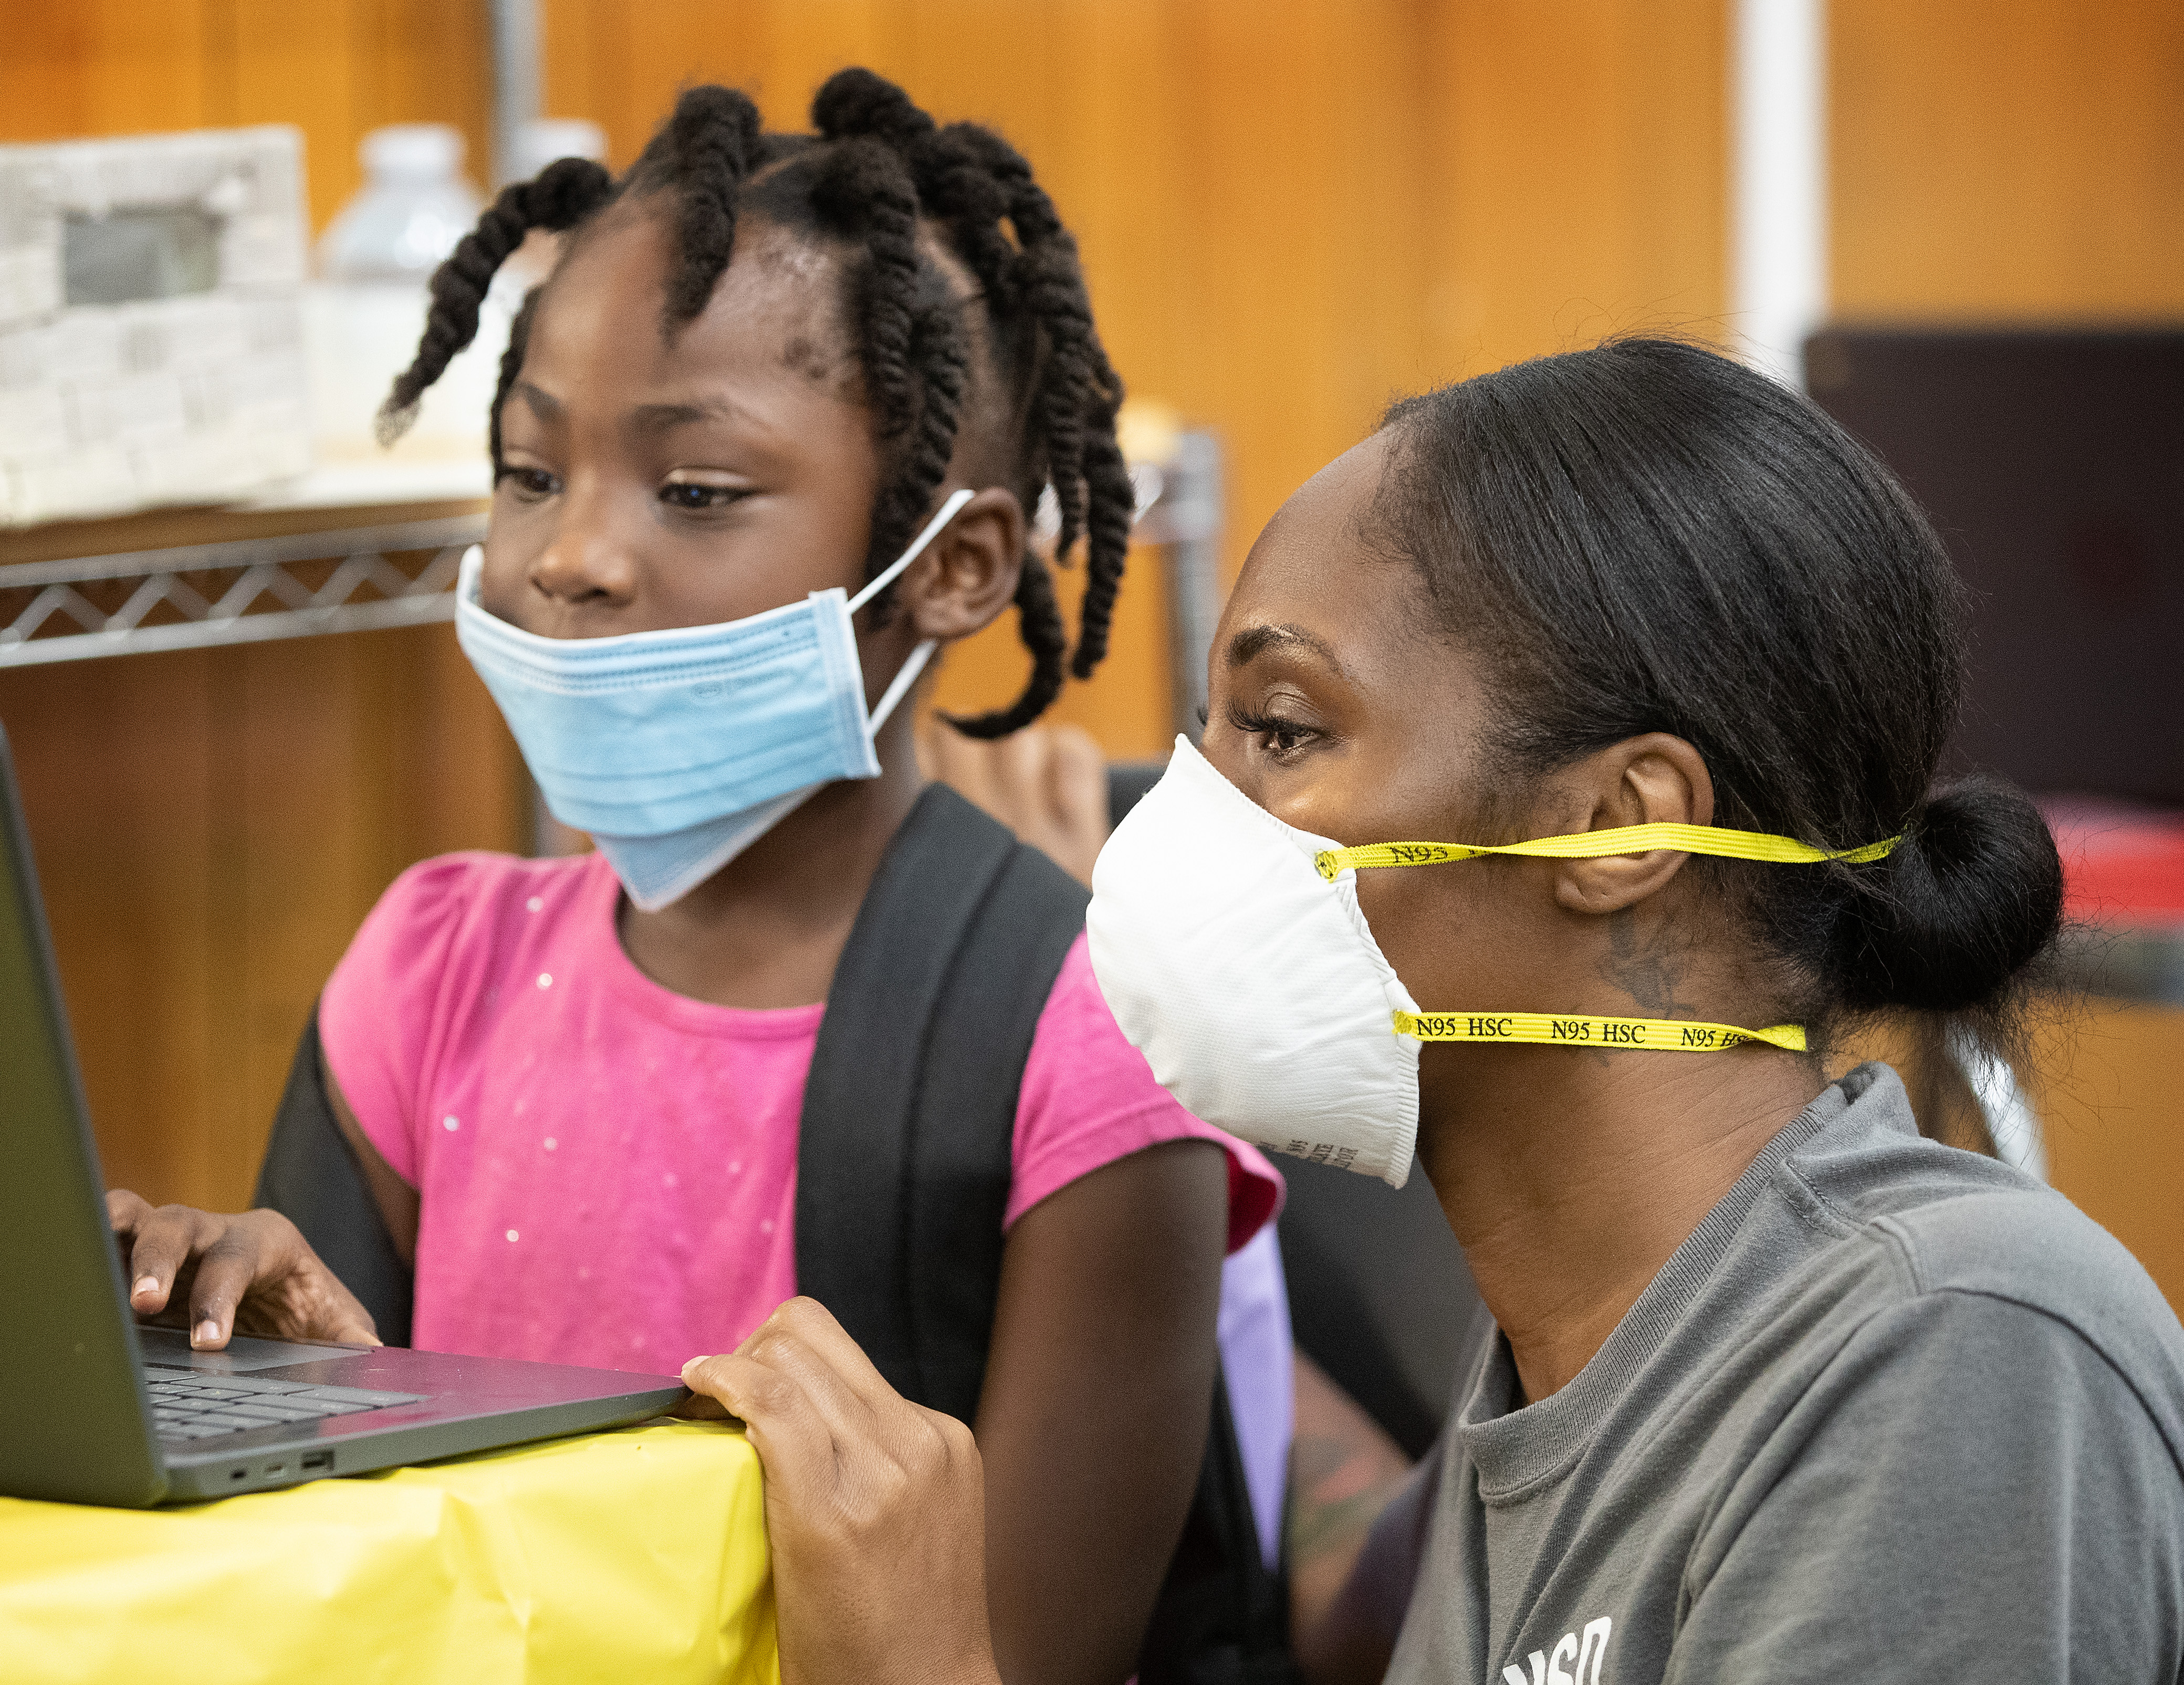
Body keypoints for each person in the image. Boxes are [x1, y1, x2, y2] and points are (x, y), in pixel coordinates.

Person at [681, 337, 2184, 1683]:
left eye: (1284, 730)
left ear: (1616, 828)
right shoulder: (1546, 1383)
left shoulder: (1955, 1340)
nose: (1188, 826)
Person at [104, 71, 1290, 1685]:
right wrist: (239, 1366)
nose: (567, 555)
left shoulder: (1087, 1048)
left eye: (696, 491)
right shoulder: (427, 970)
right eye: (533, 473)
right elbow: (338, 1584)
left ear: (950, 564)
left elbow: (1024, 1659)